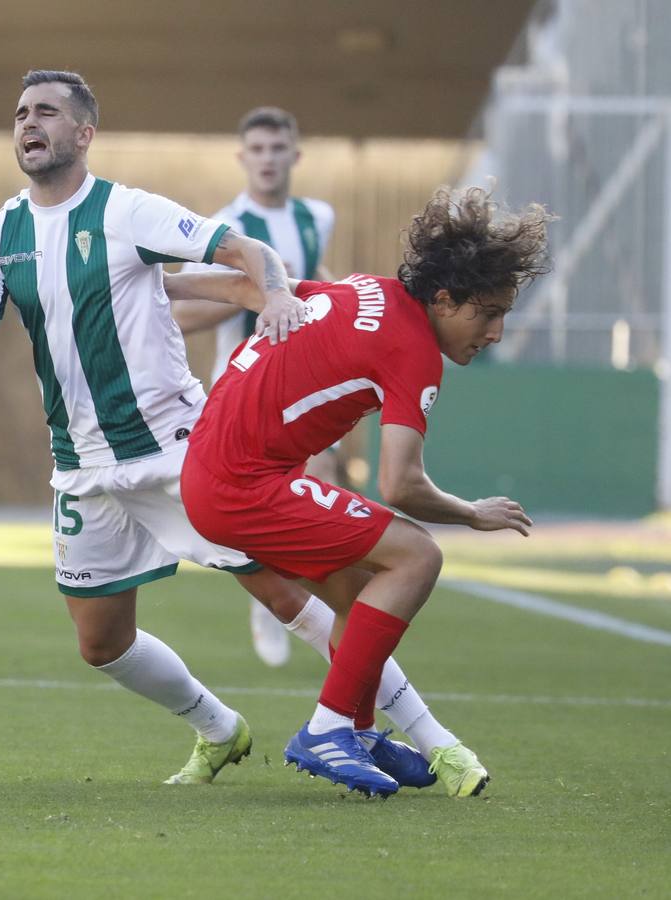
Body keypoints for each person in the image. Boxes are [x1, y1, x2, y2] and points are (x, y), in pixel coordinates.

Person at [0, 69, 313, 786]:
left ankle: (422, 735)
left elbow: (243, 251)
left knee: (282, 592)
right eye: (21, 112)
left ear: (83, 133)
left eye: (46, 112)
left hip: (176, 448)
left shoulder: (127, 211)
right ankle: (219, 729)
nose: (29, 122)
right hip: (82, 464)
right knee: (100, 643)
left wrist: (274, 295)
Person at [179, 186, 550, 797]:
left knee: (356, 588)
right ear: (445, 298)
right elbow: (399, 482)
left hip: (218, 468)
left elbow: (255, 291)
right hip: (242, 483)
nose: (498, 332)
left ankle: (355, 726)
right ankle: (327, 729)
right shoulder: (412, 351)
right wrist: (472, 514)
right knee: (418, 555)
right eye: (488, 312)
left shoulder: (365, 288)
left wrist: (157, 284)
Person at [175, 106, 337, 669]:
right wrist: (253, 295)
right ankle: (271, 603)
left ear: (295, 154)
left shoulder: (319, 216)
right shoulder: (227, 226)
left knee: (324, 488)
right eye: (258, 150)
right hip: (244, 390)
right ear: (243, 157)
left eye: (278, 148)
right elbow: (192, 308)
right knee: (257, 507)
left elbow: (320, 287)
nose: (268, 159)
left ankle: (321, 605)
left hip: (308, 387)